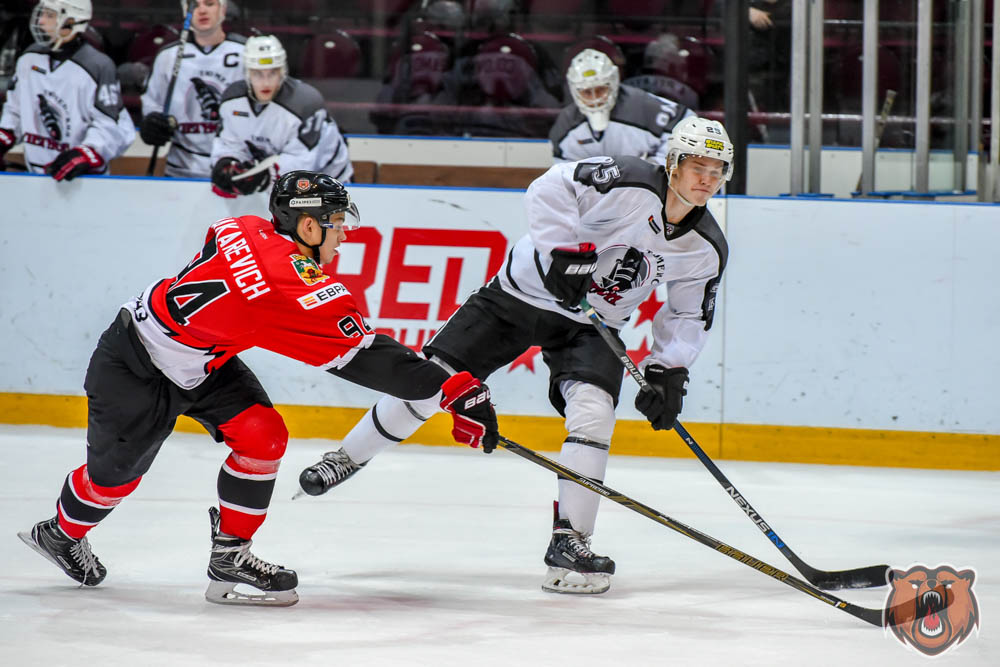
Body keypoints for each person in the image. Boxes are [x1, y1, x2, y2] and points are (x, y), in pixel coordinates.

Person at [18, 171, 500, 607]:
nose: (343, 234)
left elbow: (224, 260)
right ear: (308, 227)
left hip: (203, 359)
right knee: (112, 481)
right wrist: (454, 389)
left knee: (264, 436)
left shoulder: (246, 225)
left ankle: (230, 555)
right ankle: (60, 533)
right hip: (132, 365)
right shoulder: (290, 286)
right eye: (335, 222)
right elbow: (368, 357)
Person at [299, 116, 733, 595]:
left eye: (717, 171)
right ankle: (347, 457)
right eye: (698, 166)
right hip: (517, 297)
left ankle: (571, 542)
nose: (706, 179)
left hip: (592, 326)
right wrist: (564, 252)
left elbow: (688, 315)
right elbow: (551, 186)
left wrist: (668, 373)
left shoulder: (706, 247)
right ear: (672, 163)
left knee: (594, 413)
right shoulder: (628, 179)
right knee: (433, 382)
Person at [0, 0, 135, 178]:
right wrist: (5, 135)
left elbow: (111, 124)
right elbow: (16, 109)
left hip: (84, 182)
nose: (40, 21)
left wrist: (85, 154)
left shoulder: (98, 66)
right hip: (33, 176)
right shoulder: (29, 58)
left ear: (71, 21)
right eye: (42, 14)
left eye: (49, 15)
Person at [209, 34, 352, 199]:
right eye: (258, 74)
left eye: (273, 73)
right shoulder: (232, 100)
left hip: (329, 182)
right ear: (247, 73)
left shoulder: (306, 103)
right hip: (274, 184)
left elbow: (304, 161)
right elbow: (230, 143)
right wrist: (226, 162)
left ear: (283, 71)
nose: (266, 82)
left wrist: (265, 177)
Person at [139, 0, 246, 178]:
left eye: (209, 4)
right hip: (180, 168)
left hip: (233, 168)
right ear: (185, 13)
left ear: (223, 10)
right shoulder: (168, 56)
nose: (202, 10)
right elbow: (153, 103)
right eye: (194, 6)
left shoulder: (245, 53)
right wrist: (152, 122)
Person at [549, 48, 695, 165]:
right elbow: (563, 174)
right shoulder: (566, 123)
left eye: (600, 89)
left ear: (612, 83)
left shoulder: (642, 105)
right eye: (587, 92)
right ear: (574, 90)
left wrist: (655, 168)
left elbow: (687, 123)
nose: (595, 99)